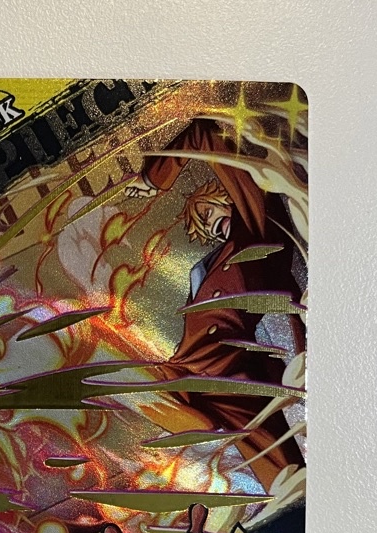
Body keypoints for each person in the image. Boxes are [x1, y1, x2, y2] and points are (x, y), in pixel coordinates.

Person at [125, 118, 305, 493]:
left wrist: (155, 176)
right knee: (278, 468)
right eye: (203, 226)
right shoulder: (212, 265)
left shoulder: (255, 226)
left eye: (207, 213)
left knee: (274, 461)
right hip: (204, 369)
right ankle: (283, 484)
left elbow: (207, 132)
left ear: (223, 197)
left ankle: (208, 427)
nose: (210, 227)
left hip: (217, 370)